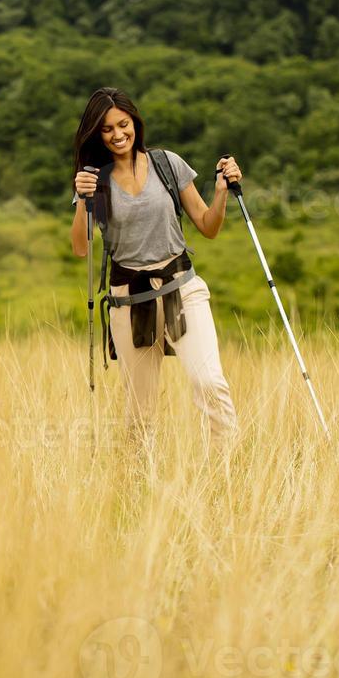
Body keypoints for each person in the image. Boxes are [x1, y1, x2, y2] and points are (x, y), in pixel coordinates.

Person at [69, 87, 240, 448]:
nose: (117, 135)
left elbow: (208, 226)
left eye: (123, 124)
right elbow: (81, 248)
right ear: (96, 135)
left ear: (135, 122)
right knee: (140, 415)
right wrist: (83, 201)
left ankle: (226, 478)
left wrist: (222, 191)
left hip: (182, 287)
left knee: (210, 383)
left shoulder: (166, 164)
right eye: (106, 129)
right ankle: (138, 492)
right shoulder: (96, 182)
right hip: (130, 300)